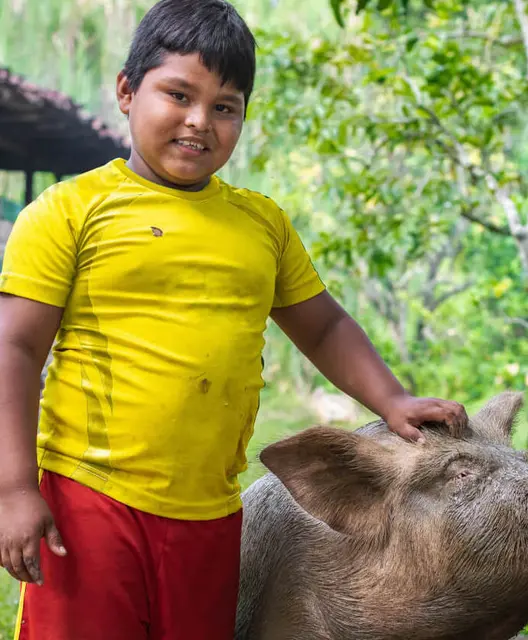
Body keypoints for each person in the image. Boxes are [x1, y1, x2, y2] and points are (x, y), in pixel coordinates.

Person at [0, 1, 468, 638]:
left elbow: (323, 324)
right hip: (89, 501)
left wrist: (391, 400)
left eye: (225, 106)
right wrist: (14, 488)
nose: (199, 121)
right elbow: (17, 349)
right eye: (178, 94)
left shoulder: (261, 223)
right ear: (126, 91)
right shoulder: (69, 211)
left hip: (211, 514)